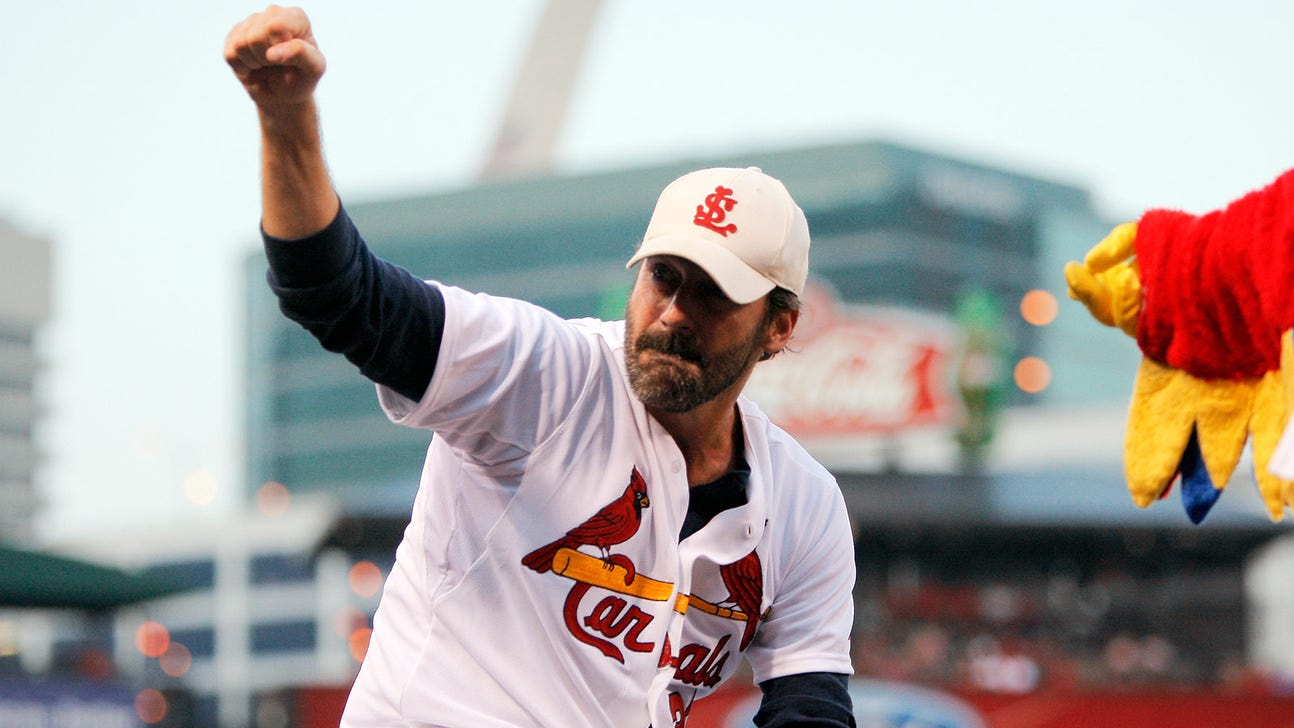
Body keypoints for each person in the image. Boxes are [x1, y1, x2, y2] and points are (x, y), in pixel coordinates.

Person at [225, 6, 856, 727]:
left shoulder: (802, 504)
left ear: (779, 327)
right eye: (664, 276)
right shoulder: (547, 377)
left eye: (713, 292)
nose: (675, 312)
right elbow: (340, 296)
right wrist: (286, 118)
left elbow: (810, 706)